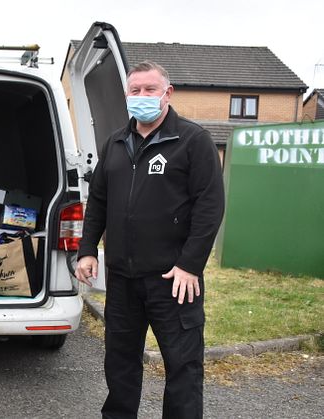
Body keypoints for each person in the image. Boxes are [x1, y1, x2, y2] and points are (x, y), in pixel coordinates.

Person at [75, 61, 224, 419]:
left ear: (167, 94)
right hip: (123, 278)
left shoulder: (193, 140)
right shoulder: (115, 142)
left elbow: (210, 206)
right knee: (120, 363)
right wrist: (86, 250)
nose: (141, 96)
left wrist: (190, 265)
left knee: (183, 366)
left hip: (173, 280)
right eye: (135, 90)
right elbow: (98, 200)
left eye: (150, 90)